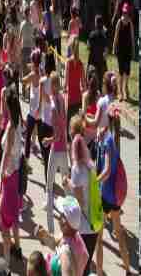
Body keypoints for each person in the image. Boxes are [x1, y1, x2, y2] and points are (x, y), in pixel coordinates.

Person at [95, 109, 131, 272]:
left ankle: (100, 271)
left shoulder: (108, 141)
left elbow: (108, 170)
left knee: (99, 238)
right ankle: (129, 271)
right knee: (119, 233)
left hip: (105, 195)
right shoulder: (112, 139)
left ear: (105, 121)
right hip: (114, 197)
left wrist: (94, 181)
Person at [63, 120, 100, 275]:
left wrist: (67, 183)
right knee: (86, 264)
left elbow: (79, 198)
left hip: (84, 226)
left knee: (81, 268)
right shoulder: (90, 165)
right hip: (94, 222)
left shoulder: (78, 169)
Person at [33, 196, 91, 276]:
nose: (59, 216)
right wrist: (45, 236)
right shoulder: (74, 235)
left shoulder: (66, 252)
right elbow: (57, 243)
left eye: (61, 214)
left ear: (65, 223)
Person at [0, 88, 25, 262]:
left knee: (4, 218)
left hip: (9, 174)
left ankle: (7, 257)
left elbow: (6, 153)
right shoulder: (19, 122)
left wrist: (1, 171)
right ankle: (18, 248)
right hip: (17, 172)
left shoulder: (10, 128)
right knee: (14, 215)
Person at [42, 73, 68, 236]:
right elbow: (63, 128)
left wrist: (47, 140)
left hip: (56, 149)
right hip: (64, 149)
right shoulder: (61, 99)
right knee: (66, 186)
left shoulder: (52, 107)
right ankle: (72, 220)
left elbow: (57, 134)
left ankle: (51, 227)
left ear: (52, 86)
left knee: (49, 186)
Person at [112, 3, 134, 102]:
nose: (125, 14)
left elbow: (133, 38)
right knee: (121, 72)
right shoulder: (119, 22)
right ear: (122, 12)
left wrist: (133, 50)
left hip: (128, 50)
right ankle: (120, 92)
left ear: (128, 13)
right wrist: (113, 48)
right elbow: (116, 36)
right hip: (120, 50)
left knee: (127, 71)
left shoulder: (130, 23)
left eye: (126, 12)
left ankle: (126, 88)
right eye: (124, 12)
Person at [87, 15, 107, 80]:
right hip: (101, 62)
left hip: (92, 61)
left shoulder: (92, 34)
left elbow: (88, 47)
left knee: (91, 80)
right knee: (100, 81)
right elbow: (106, 51)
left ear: (96, 23)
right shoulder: (104, 36)